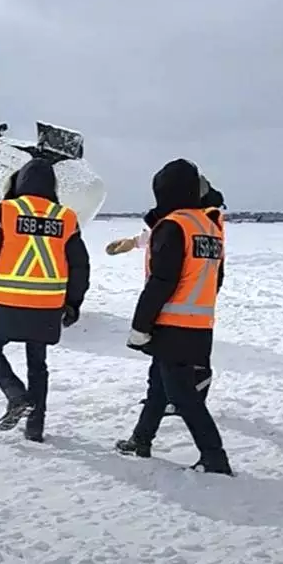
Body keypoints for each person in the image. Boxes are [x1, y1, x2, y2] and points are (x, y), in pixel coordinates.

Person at [0, 157, 91, 442]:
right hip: (47, 306)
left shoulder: (6, 211)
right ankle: (35, 428)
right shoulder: (65, 217)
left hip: (6, 302)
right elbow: (79, 265)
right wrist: (73, 303)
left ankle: (16, 395)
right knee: (38, 365)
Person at [115, 159, 232, 475]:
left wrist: (140, 326)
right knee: (158, 384)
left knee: (183, 396)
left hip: (172, 323)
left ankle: (214, 457)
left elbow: (161, 281)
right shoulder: (209, 226)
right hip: (199, 323)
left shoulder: (173, 225)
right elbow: (217, 278)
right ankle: (141, 439)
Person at [107, 175, 226, 419]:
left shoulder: (206, 219)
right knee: (162, 363)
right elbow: (168, 237)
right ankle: (159, 405)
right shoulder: (190, 218)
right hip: (174, 306)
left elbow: (190, 252)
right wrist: (133, 242)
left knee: (193, 366)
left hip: (183, 303)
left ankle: (187, 404)